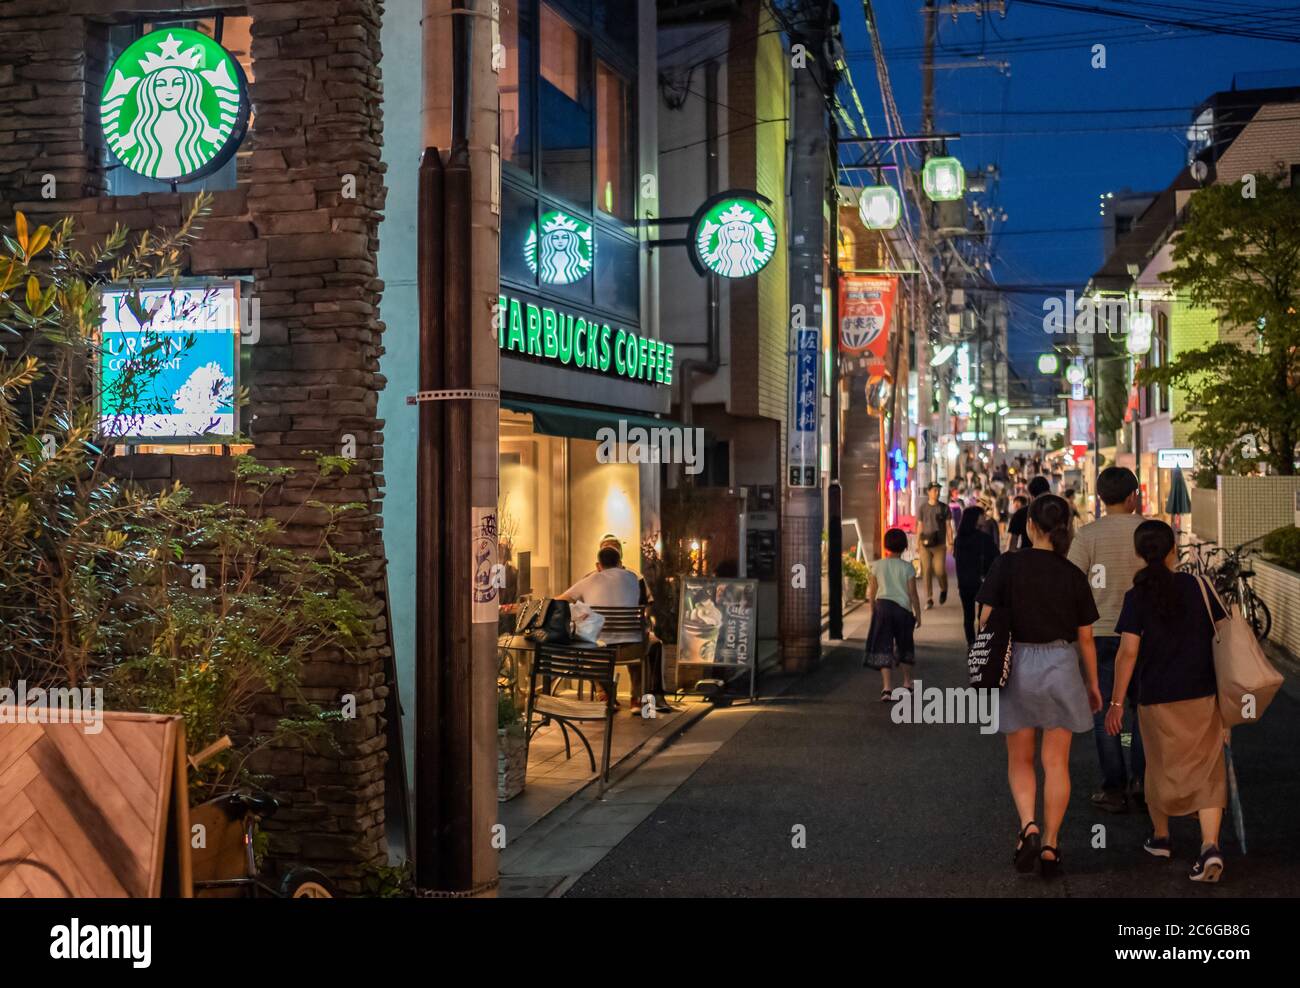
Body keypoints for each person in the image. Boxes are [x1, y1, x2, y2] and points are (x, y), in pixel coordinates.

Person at [976, 494, 1103, 878]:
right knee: (1056, 762)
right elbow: (1086, 638)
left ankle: (1028, 825)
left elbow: (984, 620)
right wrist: (1093, 685)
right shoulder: (1072, 575)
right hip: (1061, 665)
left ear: (1030, 525)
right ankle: (1050, 844)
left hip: (1017, 665)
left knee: (1020, 758)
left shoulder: (1007, 565)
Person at [1108, 519, 1228, 883]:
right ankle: (1209, 847)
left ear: (1139, 554)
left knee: (1157, 764)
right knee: (1208, 768)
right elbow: (1223, 637)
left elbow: (1128, 653)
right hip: (1202, 692)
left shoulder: (1136, 596)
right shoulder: (1200, 587)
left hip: (1155, 695)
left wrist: (1115, 704)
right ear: (1174, 549)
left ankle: (1161, 838)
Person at [1068, 466, 1146, 814]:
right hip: (1144, 635)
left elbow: (1072, 584)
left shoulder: (1086, 535)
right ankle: (1144, 782)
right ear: (1133, 497)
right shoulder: (1148, 531)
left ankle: (1113, 788)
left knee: (1104, 713)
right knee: (1142, 710)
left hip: (1098, 635)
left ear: (1100, 498)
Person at [560, 538, 672, 713]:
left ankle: (609, 697)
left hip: (601, 650)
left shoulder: (589, 579)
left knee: (587, 641)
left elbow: (560, 600)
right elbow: (645, 605)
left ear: (599, 564)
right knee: (647, 642)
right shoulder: (634, 578)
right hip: (633, 646)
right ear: (619, 561)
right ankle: (641, 701)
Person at [864, 528, 921, 701]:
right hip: (902, 610)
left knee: (883, 646)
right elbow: (913, 594)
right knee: (904, 645)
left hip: (883, 608)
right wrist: (918, 614)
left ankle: (887, 688)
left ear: (886, 545)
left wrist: (873, 610)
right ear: (904, 546)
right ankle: (907, 683)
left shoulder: (877, 565)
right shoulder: (908, 567)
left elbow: (871, 592)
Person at [953, 505, 999, 645]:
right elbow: (996, 557)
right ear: (974, 519)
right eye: (981, 516)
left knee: (968, 616)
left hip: (965, 582)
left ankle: (971, 642)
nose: (984, 519)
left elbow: (957, 560)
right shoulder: (984, 538)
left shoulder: (959, 540)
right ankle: (981, 642)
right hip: (982, 581)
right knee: (983, 615)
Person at [917, 482, 954, 609]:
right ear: (928, 492)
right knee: (926, 571)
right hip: (925, 544)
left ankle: (944, 589)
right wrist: (918, 543)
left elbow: (949, 526)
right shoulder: (922, 508)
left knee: (939, 570)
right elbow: (920, 526)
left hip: (939, 544)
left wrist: (951, 542)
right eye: (934, 490)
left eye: (938, 490)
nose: (936, 493)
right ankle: (929, 598)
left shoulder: (944, 508)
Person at [1007, 475, 1050, 550]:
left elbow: (1012, 542)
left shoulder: (1021, 513)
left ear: (1031, 495)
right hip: (1051, 558)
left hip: (1026, 557)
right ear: (1048, 491)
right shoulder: (1056, 512)